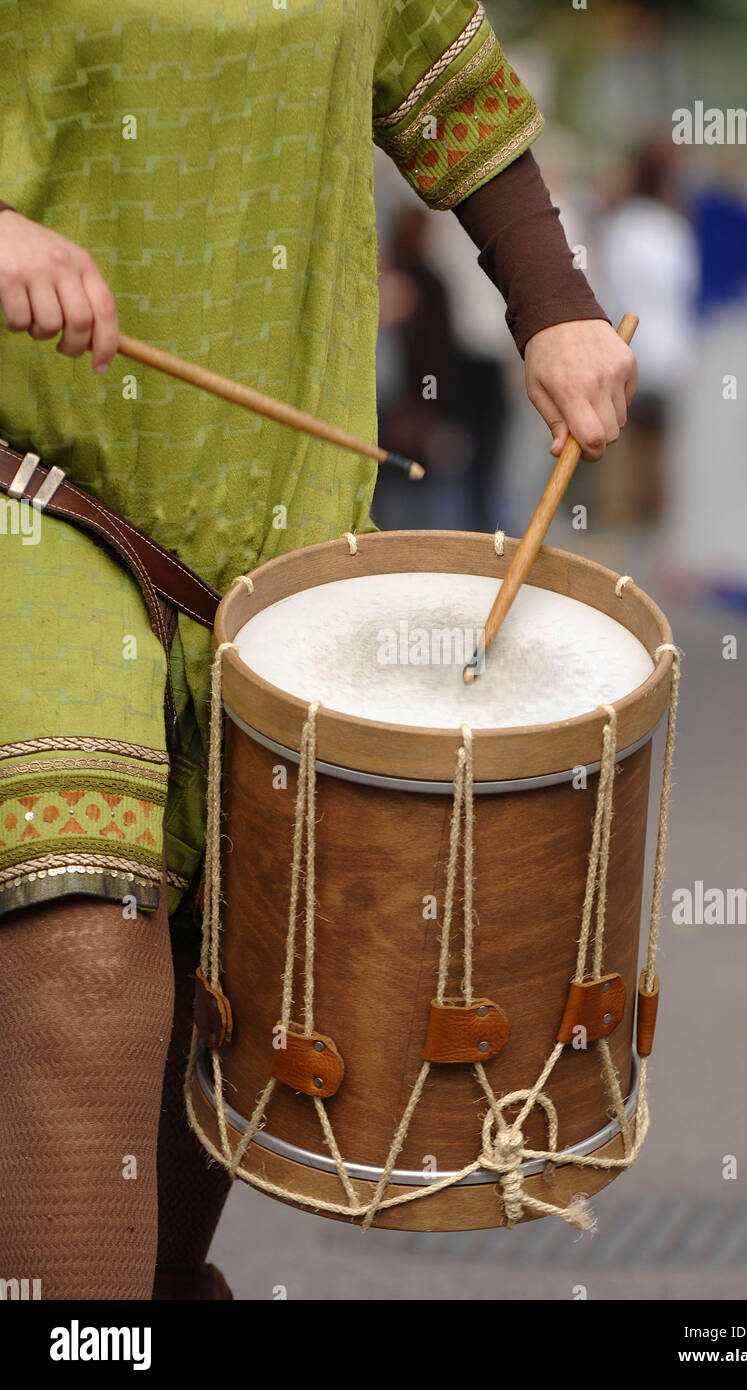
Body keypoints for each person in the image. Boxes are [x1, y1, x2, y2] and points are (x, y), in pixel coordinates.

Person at [0, 0, 636, 1300]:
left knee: (230, 967)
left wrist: (556, 308)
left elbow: (453, 102)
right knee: (88, 939)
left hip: (282, 517)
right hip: (31, 487)